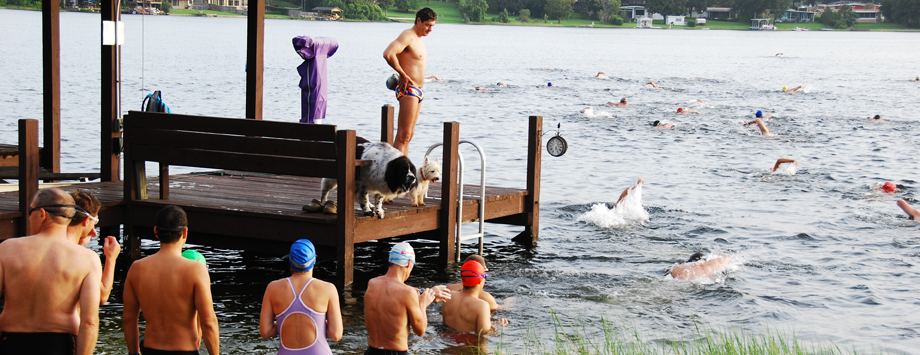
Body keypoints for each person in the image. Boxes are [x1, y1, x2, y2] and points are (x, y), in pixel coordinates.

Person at [0, 188, 101, 355]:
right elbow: (90, 322)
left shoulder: (7, 248)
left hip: (11, 342)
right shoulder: (87, 258)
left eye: (30, 211)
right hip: (60, 344)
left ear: (41, 213)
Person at [123, 205, 220, 355]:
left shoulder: (137, 268)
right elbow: (208, 322)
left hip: (150, 349)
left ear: (156, 231)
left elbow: (129, 319)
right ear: (185, 232)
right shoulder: (196, 270)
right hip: (185, 350)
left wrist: (134, 353)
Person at [363, 242, 451, 355]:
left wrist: (429, 293)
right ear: (409, 263)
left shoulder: (372, 284)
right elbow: (420, 330)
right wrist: (422, 305)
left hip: (371, 352)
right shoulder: (407, 293)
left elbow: (396, 291)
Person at [261, 239, 342, 355]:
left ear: (290, 260)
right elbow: (336, 334)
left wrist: (287, 325)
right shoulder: (328, 289)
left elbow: (265, 332)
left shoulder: (273, 288)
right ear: (314, 261)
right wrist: (319, 325)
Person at [383, 7, 437, 156]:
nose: (430, 29)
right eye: (428, 25)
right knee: (403, 136)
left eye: (432, 26)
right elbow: (388, 54)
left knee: (409, 136)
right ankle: (396, 173)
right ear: (418, 20)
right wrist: (402, 74)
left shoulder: (419, 40)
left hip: (418, 90)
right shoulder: (408, 36)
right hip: (408, 89)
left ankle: (403, 170)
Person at [69, 189, 120, 305]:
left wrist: (80, 243)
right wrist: (111, 259)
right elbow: (101, 296)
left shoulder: (43, 247)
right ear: (87, 221)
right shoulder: (85, 258)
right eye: (95, 222)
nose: (94, 232)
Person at [441, 260, 508, 335]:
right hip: (469, 345)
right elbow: (484, 336)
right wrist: (498, 326)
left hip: (447, 343)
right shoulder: (482, 306)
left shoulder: (448, 297)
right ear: (481, 280)